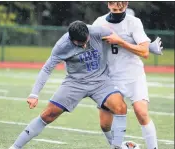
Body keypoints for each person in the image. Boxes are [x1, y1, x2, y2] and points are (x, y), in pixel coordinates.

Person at [9, 20, 129, 149]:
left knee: (120, 107)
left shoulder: (98, 31)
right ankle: (15, 147)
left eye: (86, 41)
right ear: (71, 39)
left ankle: (116, 147)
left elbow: (121, 39)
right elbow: (47, 69)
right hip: (75, 82)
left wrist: (120, 39)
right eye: (79, 43)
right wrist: (34, 93)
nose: (84, 46)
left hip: (101, 80)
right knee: (48, 115)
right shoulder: (62, 46)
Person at [92, 1, 162, 149]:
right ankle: (117, 146)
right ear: (108, 4)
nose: (117, 11)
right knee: (104, 124)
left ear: (126, 4)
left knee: (141, 112)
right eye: (114, 8)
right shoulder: (99, 22)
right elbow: (90, 44)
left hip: (133, 75)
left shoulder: (134, 22)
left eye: (121, 8)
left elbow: (144, 52)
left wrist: (120, 41)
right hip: (109, 77)